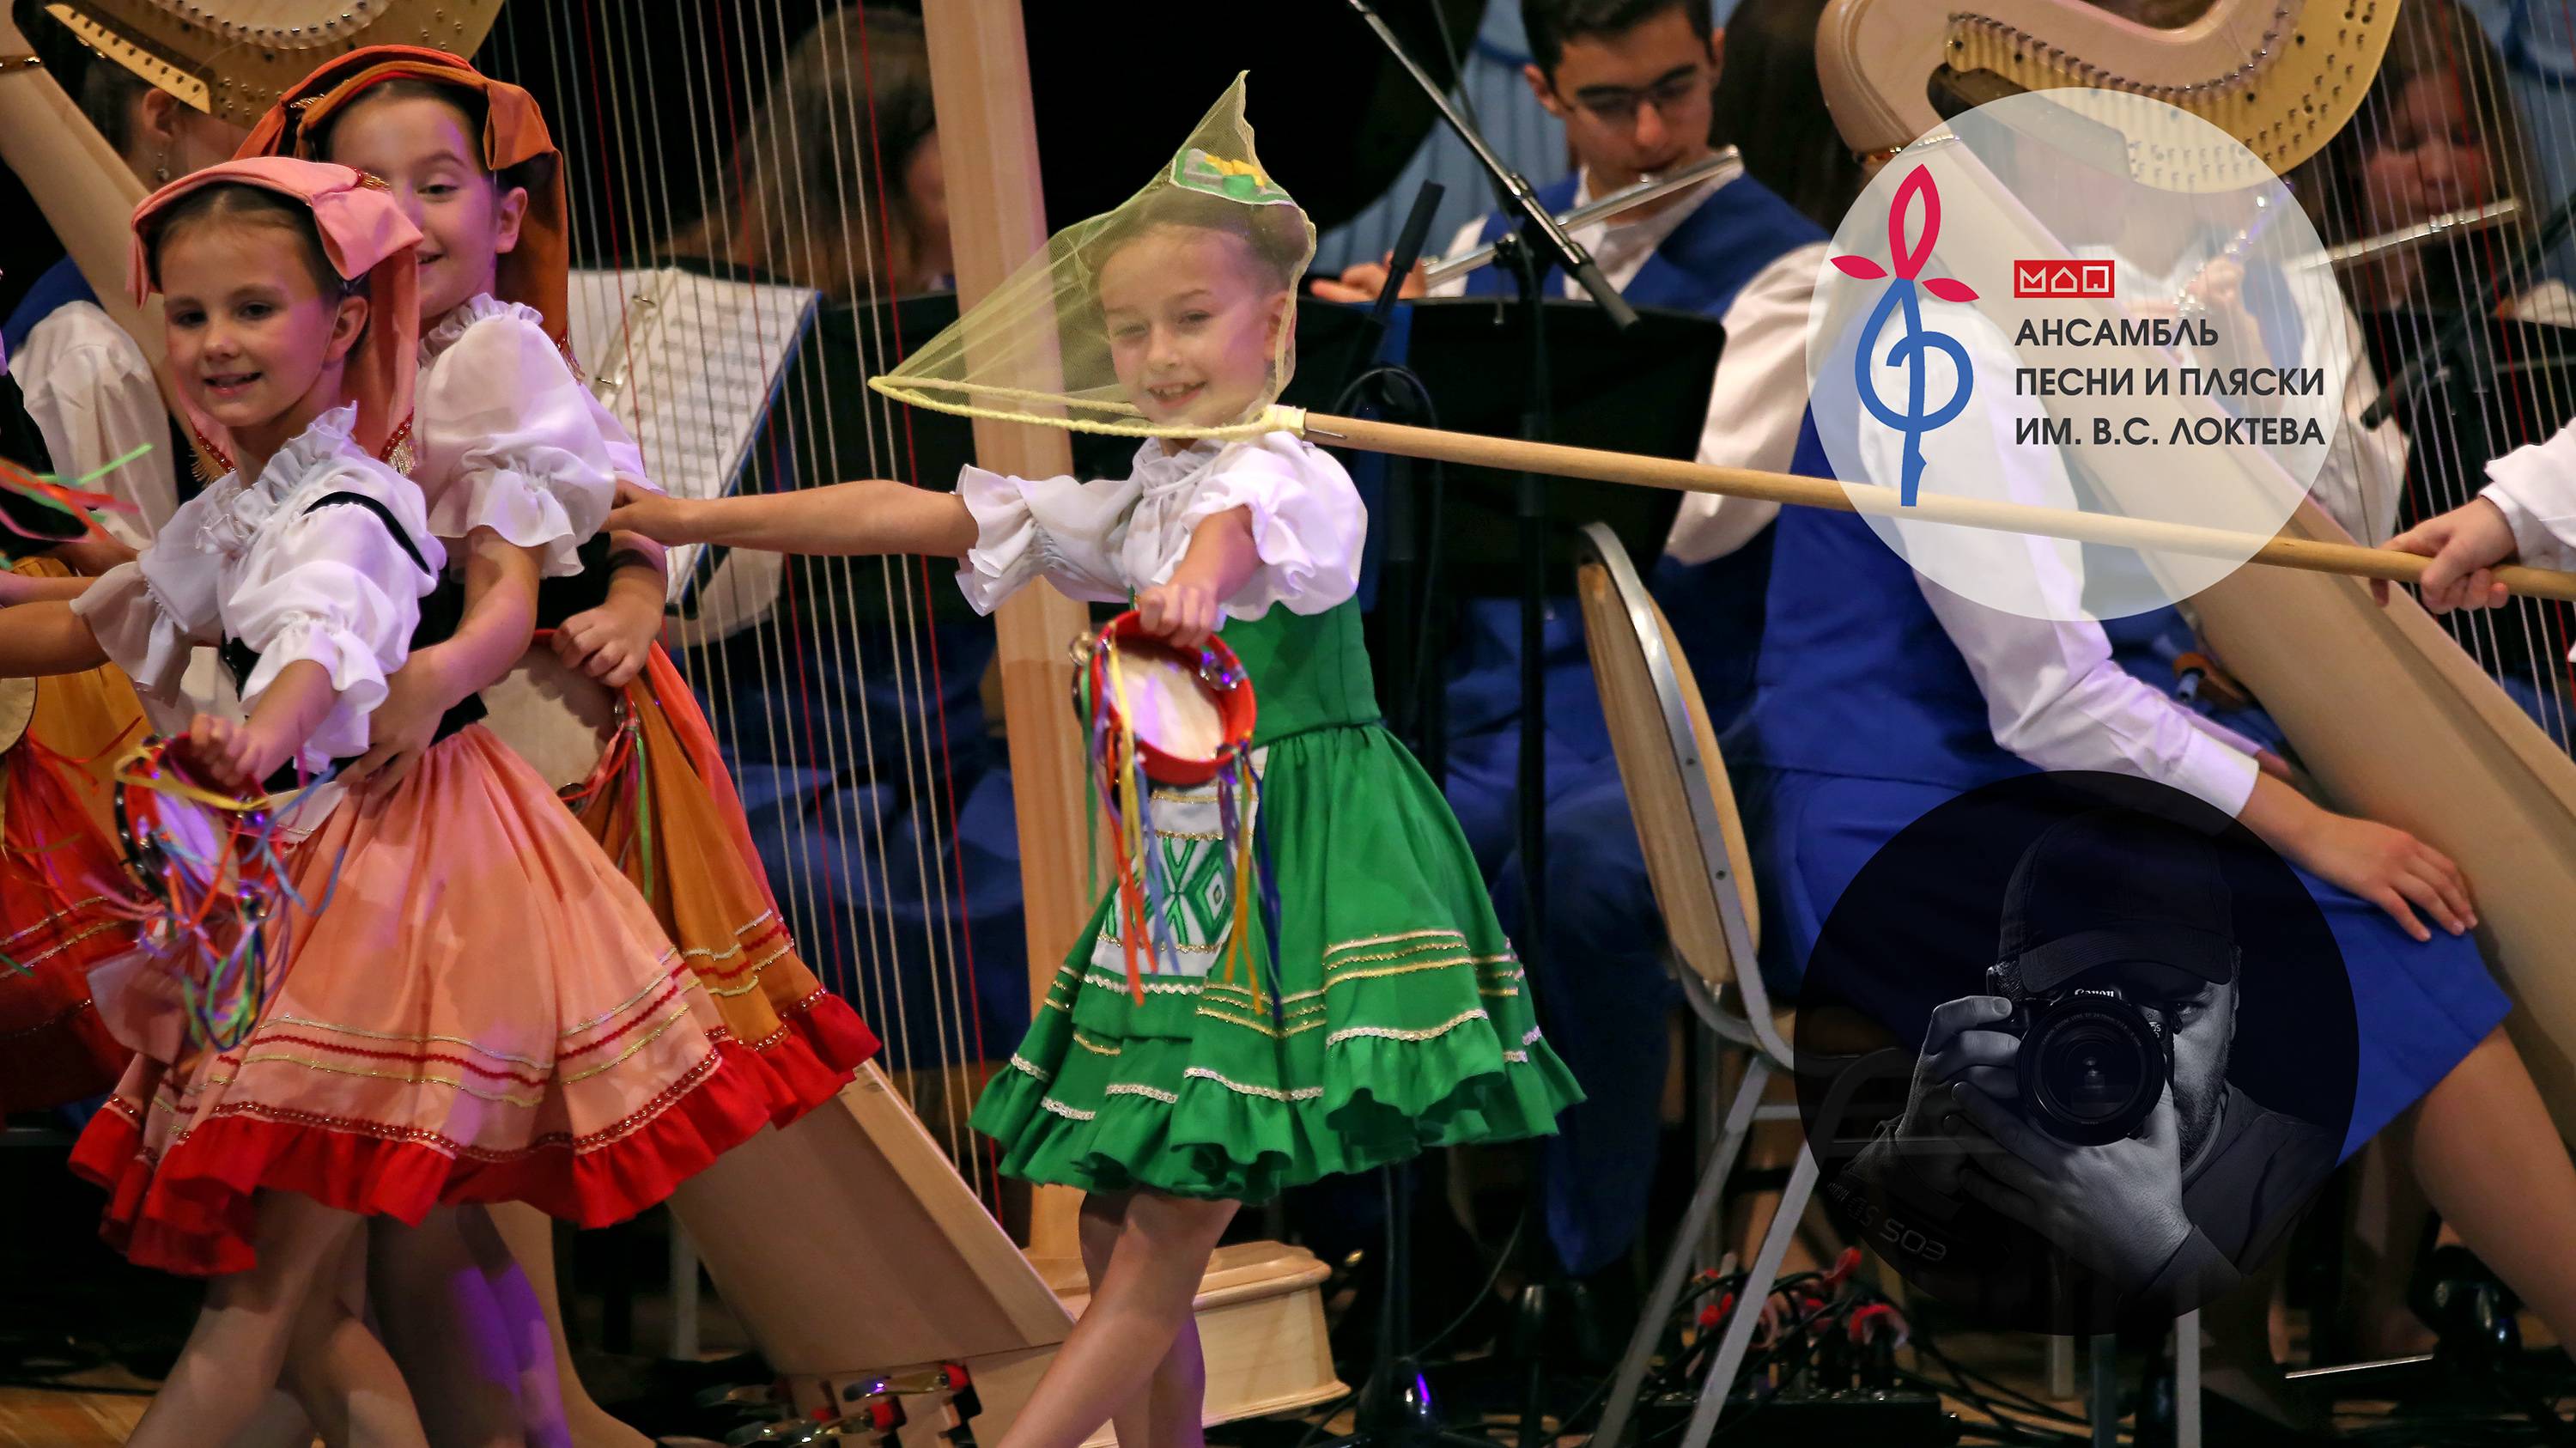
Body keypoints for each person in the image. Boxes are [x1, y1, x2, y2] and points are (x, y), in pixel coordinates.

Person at [606, 82, 1584, 1448]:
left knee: (1154, 1237)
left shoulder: (1287, 474)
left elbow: (1234, 537)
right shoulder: (1138, 489)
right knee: (1132, 1213)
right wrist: (692, 511)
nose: (1159, 353)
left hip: (1296, 855)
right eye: (1130, 329)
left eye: (1191, 318)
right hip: (1187, 868)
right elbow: (922, 511)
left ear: (1278, 326)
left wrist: (1189, 586)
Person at [0, 155, 777, 1445]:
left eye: (253, 309)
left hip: (390, 888)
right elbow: (97, 622)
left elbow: (322, 644)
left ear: (346, 321)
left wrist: (261, 734)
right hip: (300, 875)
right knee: (296, 1294)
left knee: (258, 1299)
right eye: (188, 317)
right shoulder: (245, 497)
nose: (213, 343)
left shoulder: (347, 502)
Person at [1313, 0, 1832, 1280]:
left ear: (1716, 66)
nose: (1653, 135)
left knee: (1571, 871)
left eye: (1677, 92)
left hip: (1683, 712)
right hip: (1500, 701)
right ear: (1545, 94)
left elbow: (1700, 519)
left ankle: (1585, 1265)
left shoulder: (1796, 269)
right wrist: (1396, 334)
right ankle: (1389, 1252)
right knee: (1342, 852)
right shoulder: (1502, 239)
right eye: (1610, 105)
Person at [1836, 796, 2338, 1332]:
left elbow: (2246, 1389)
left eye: (2176, 1009)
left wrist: (2158, 1247)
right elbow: (1836, 1306)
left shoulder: (2293, 1170)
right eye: (2085, 1014)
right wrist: (1903, 1168)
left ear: (2235, 998)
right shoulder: (1968, 1135)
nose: (2133, 1052)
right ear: (2002, 1000)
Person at [1, 0, 246, 562]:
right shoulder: (91, 351)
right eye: (251, 104)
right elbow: (140, 623)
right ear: (162, 118)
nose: (284, 131)